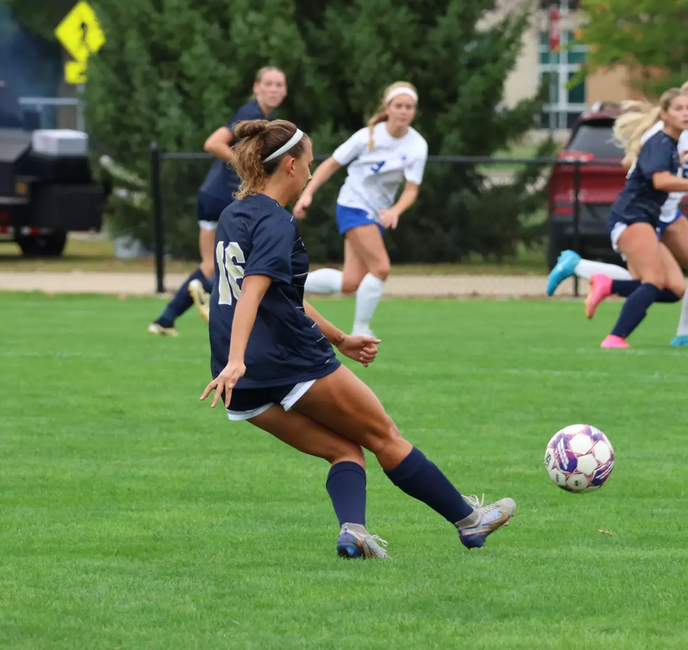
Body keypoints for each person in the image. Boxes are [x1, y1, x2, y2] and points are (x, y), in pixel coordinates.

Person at [201, 118, 515, 559]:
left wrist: (339, 338)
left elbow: (279, 292)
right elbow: (253, 288)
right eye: (310, 163)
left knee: (344, 450)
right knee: (385, 435)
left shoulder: (233, 215)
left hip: (242, 383)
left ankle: (354, 533)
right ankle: (469, 521)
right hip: (283, 361)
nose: (312, 172)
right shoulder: (276, 222)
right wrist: (240, 358)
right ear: (290, 165)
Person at [547, 78, 688, 347]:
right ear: (672, 108)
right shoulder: (661, 136)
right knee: (651, 281)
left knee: (680, 285)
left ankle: (680, 335)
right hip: (637, 215)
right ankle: (609, 324)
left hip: (663, 215)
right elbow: (657, 177)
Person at [149, 67, 288, 336]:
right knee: (239, 263)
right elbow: (213, 142)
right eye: (268, 83)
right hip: (223, 197)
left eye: (279, 85)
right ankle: (210, 289)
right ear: (256, 86)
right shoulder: (251, 114)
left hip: (212, 196)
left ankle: (165, 320)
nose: (274, 89)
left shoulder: (259, 115)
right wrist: (249, 168)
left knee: (211, 265)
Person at [580, 89, 688, 348]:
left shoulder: (671, 144)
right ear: (664, 114)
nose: (687, 113)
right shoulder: (661, 140)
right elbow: (661, 181)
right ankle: (615, 337)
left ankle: (608, 284)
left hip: (646, 218)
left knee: (674, 289)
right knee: (653, 281)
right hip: (631, 216)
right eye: (679, 108)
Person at [293, 82, 428, 337]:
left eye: (409, 107)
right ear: (387, 108)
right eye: (398, 105)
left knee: (350, 282)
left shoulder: (417, 145)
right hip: (352, 205)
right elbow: (331, 164)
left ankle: (284, 281)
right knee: (381, 268)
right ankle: (361, 330)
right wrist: (307, 193)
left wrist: (396, 210)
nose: (403, 111)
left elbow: (411, 189)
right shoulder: (367, 136)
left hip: (378, 213)